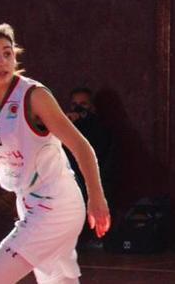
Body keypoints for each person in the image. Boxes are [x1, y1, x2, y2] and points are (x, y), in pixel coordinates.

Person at [0, 24, 110, 284]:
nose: (3, 61)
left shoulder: (34, 96)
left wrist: (96, 198)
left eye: (8, 53)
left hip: (57, 204)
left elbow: (81, 146)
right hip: (29, 205)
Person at [64, 87, 114, 242]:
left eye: (83, 104)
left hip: (94, 182)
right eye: (74, 104)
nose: (78, 108)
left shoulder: (101, 128)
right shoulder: (66, 126)